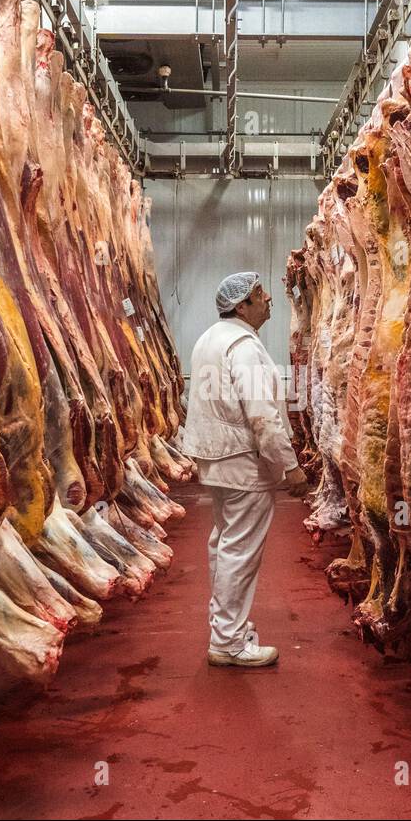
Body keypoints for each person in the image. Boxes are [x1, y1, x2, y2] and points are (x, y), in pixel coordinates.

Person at [181, 272, 310, 668]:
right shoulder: (244, 347)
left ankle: (226, 627)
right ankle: (229, 643)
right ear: (242, 306)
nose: (269, 298)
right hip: (243, 464)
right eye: (259, 294)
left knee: (225, 544)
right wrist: (290, 467)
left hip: (218, 460)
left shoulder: (210, 338)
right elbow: (263, 417)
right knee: (239, 550)